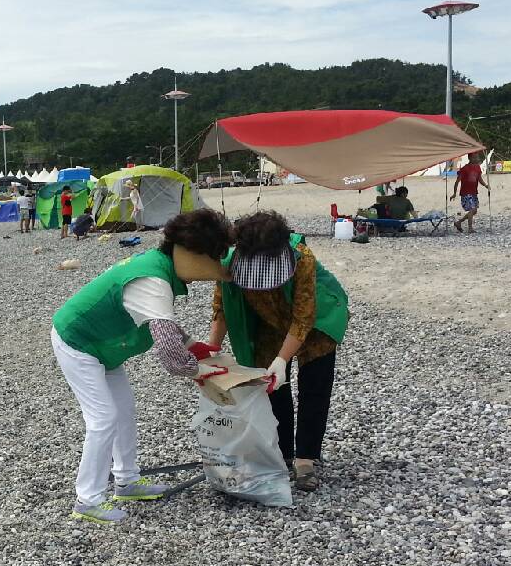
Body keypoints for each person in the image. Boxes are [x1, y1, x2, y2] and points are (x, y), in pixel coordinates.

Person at [52, 209, 233, 524]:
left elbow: (161, 324)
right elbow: (168, 351)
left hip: (104, 347)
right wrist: (202, 371)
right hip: (78, 342)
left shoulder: (158, 266)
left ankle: (127, 481)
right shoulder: (153, 279)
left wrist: (194, 347)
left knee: (123, 410)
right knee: (103, 418)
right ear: (192, 252)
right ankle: (88, 500)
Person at [207, 210, 349, 492]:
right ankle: (282, 452)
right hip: (268, 323)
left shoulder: (301, 258)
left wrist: (283, 360)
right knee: (273, 387)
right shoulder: (230, 263)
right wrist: (210, 352)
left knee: (314, 388)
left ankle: (305, 458)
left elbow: (304, 318)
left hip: (317, 323)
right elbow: (222, 309)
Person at [452, 154, 490, 233]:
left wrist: (486, 185)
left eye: (477, 157)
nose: (477, 158)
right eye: (475, 157)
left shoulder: (477, 168)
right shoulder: (464, 169)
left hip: (474, 193)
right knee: (472, 209)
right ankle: (470, 228)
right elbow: (457, 182)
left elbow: (480, 179)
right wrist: (454, 193)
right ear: (470, 158)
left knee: (474, 211)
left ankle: (458, 222)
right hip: (465, 193)